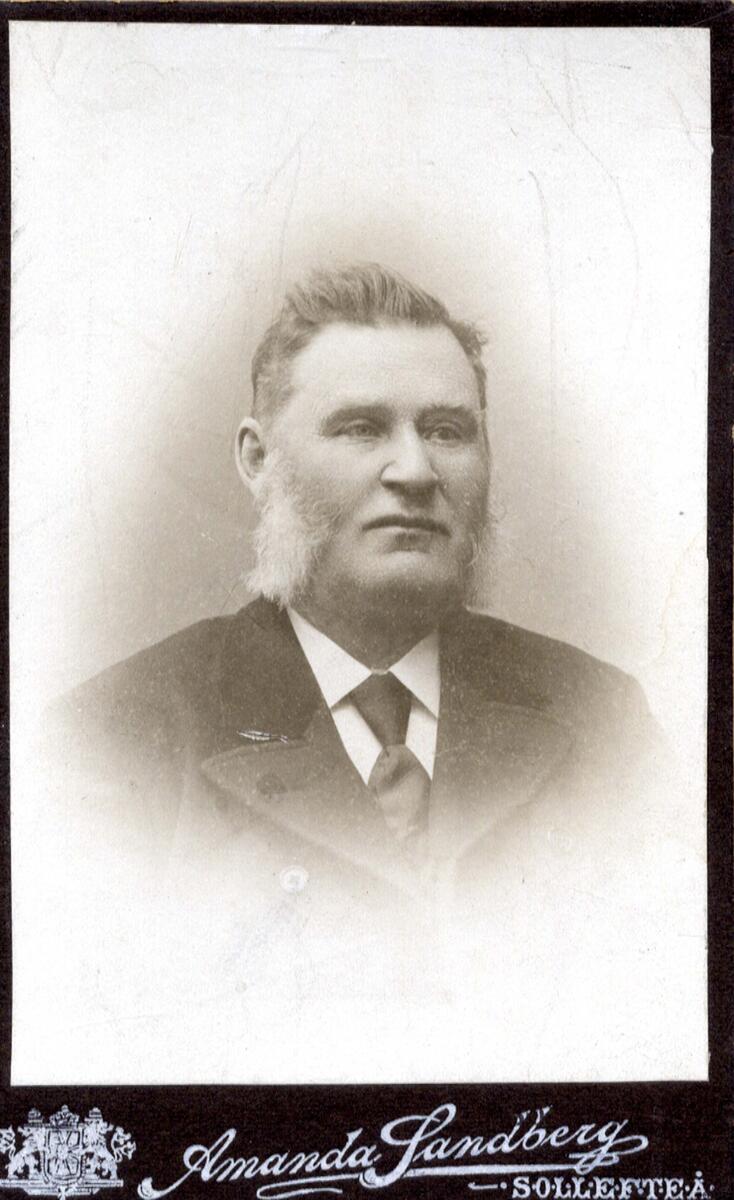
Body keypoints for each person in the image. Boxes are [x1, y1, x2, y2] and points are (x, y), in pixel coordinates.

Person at [20, 263, 695, 1084]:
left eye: (447, 430)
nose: (415, 471)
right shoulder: (116, 737)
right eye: (361, 428)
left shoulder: (600, 717)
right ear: (258, 459)